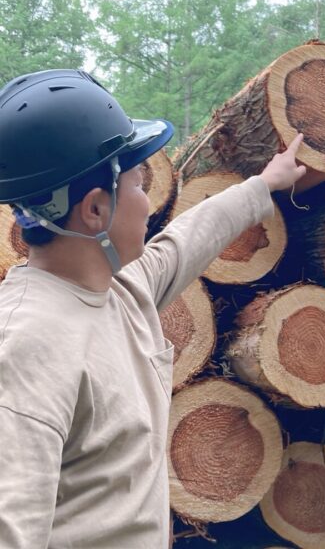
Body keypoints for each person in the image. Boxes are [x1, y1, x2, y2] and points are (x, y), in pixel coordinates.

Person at [0, 69, 306, 548]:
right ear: (95, 211)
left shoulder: (118, 288)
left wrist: (264, 185)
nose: (149, 203)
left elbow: (185, 242)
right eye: (140, 184)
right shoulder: (28, 343)